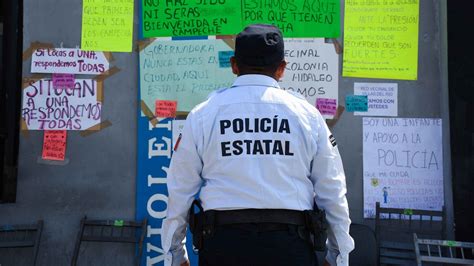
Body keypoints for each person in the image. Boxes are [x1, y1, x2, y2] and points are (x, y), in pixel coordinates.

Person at [162, 24, 354, 266]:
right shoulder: (308, 116)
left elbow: (180, 191)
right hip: (289, 248)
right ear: (282, 69)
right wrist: (338, 256)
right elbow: (332, 190)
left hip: (223, 247)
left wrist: (175, 255)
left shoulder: (203, 115)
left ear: (234, 65)